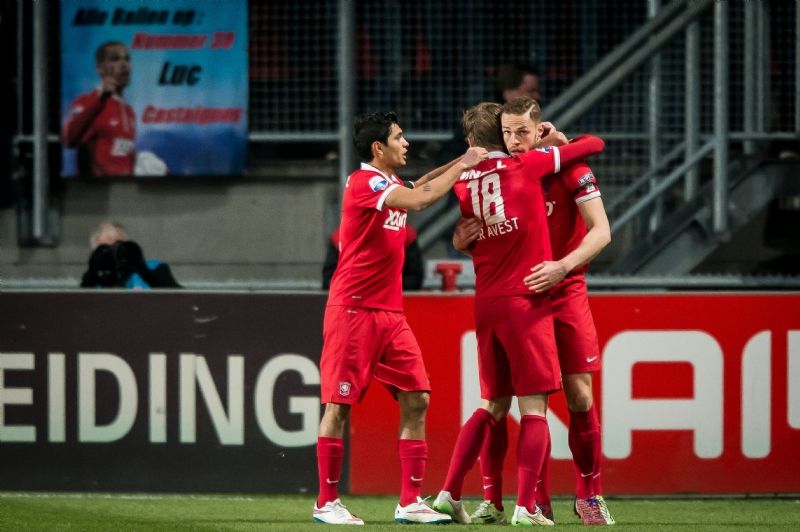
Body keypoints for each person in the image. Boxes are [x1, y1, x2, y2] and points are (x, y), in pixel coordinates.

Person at [430, 102, 604, 526]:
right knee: (516, 403)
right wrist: (460, 242)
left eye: (522, 132)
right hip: (524, 295)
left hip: (561, 287)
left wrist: (564, 265)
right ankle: (520, 501)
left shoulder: (567, 169)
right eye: (507, 133)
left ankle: (588, 493)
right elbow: (482, 235)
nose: (514, 140)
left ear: (538, 128)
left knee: (577, 396)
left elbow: (602, 231)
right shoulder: (516, 169)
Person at [313, 111, 488, 526]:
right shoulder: (365, 183)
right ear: (379, 148)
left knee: (417, 398)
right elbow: (421, 200)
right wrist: (464, 166)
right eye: (399, 137)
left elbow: (422, 183)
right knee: (338, 405)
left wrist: (466, 158)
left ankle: (409, 501)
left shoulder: (388, 183)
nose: (406, 143)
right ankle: (326, 502)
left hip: (390, 313)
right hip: (353, 309)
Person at [80, 221, 181, 289]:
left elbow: (180, 299)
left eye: (117, 245)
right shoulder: (92, 277)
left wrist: (142, 269)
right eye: (104, 249)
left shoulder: (155, 268)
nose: (111, 253)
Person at [322, 224, 424, 291]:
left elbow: (414, 280)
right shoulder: (340, 238)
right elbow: (329, 282)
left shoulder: (406, 236)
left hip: (395, 307)